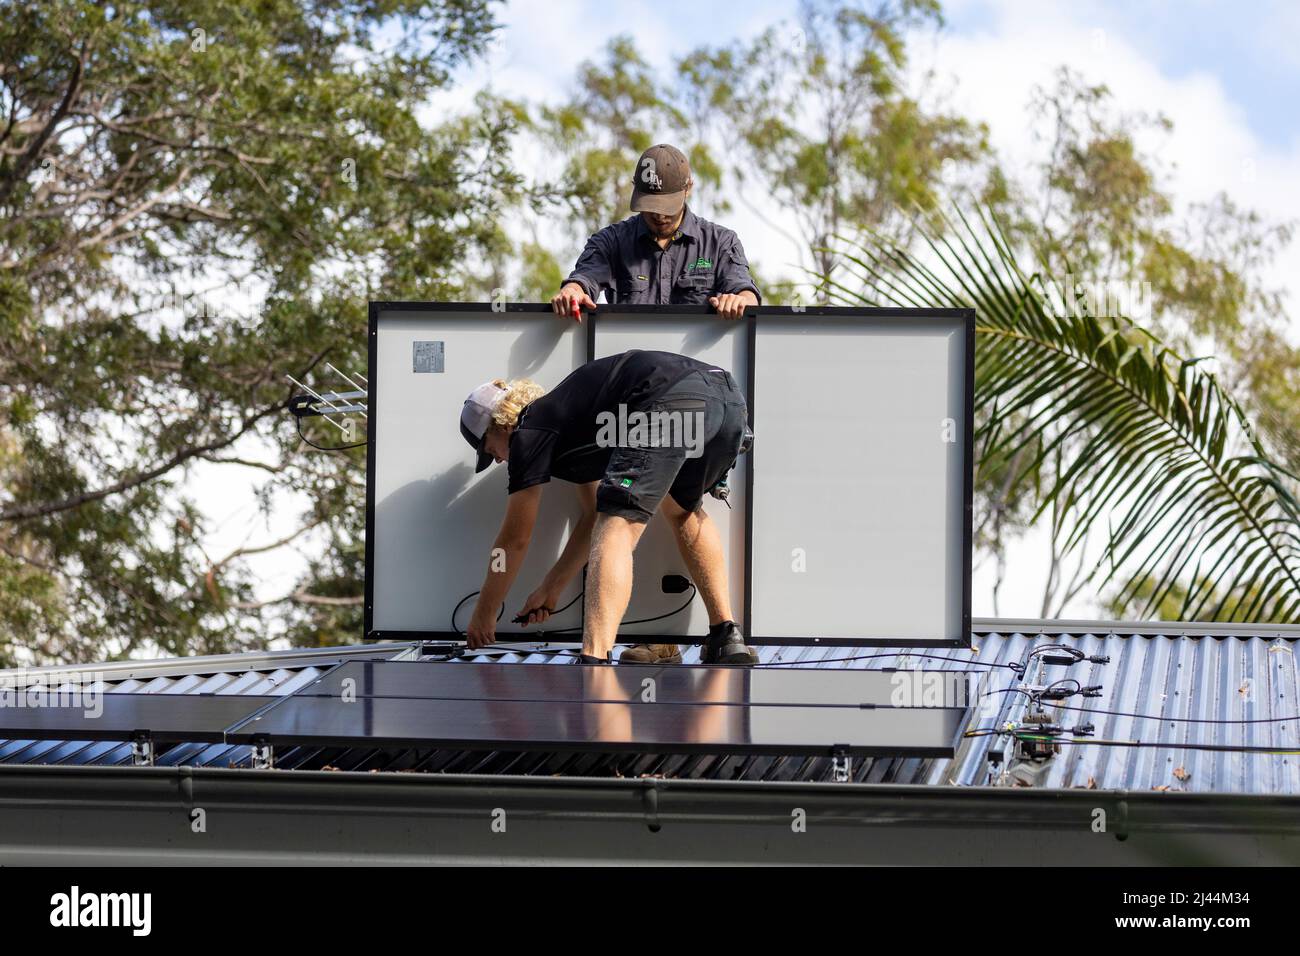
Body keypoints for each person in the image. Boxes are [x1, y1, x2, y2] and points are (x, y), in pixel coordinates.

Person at [459, 348, 757, 666]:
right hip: (726, 399)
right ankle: (725, 635)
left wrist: (485, 612)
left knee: (618, 521)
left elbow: (513, 541)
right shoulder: (568, 419)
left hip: (670, 399)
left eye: (493, 451)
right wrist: (552, 586)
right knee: (683, 510)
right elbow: (590, 517)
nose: (502, 460)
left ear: (501, 425)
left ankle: (595, 656)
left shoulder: (528, 432)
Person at [550, 143, 761, 321]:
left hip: (698, 367)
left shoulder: (721, 242)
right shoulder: (610, 241)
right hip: (632, 366)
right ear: (635, 189)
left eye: (667, 205)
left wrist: (740, 301)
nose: (659, 215)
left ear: (688, 188)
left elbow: (746, 293)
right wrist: (572, 292)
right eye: (651, 205)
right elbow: (584, 278)